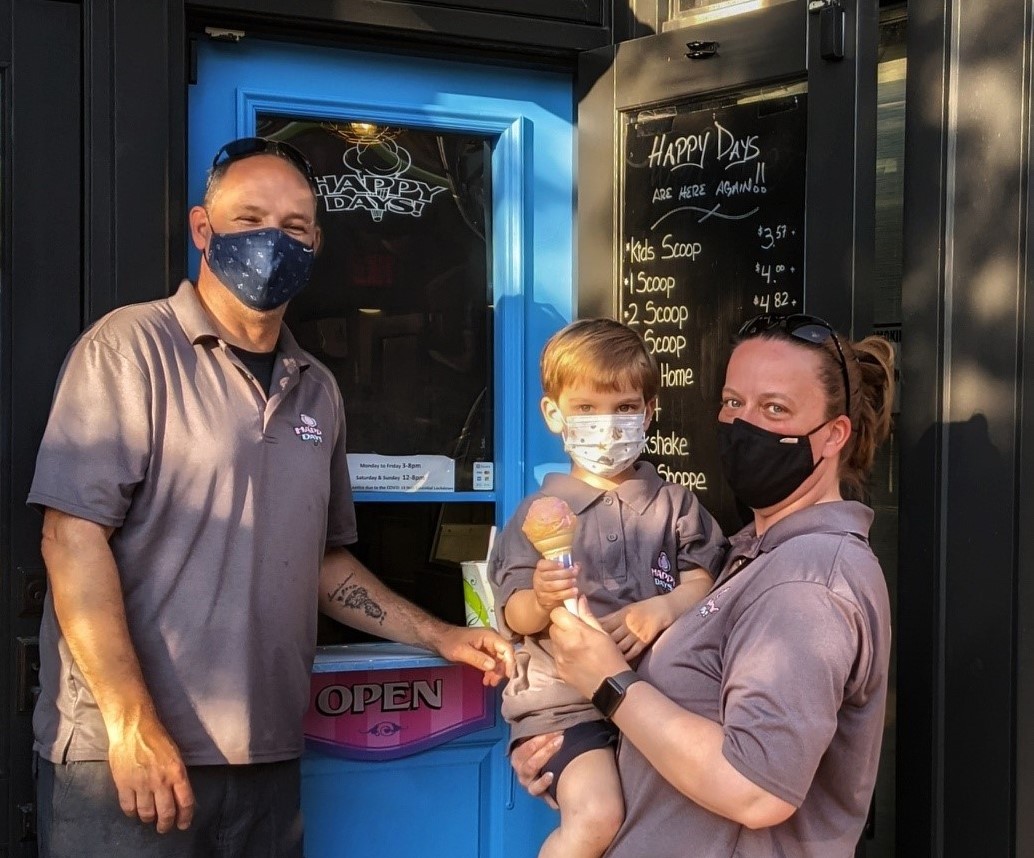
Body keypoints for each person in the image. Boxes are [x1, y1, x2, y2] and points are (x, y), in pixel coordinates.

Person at [27, 136, 515, 858]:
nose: (271, 241)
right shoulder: (130, 348)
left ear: (315, 243)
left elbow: (322, 564)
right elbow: (71, 538)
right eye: (249, 219)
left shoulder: (315, 384)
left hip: (266, 760)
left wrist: (439, 635)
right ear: (203, 229)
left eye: (292, 228)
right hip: (124, 756)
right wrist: (130, 721)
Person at [512, 313, 895, 857]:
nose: (744, 425)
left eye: (775, 408)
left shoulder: (808, 583)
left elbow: (756, 789)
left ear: (834, 434)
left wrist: (606, 680)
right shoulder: (749, 552)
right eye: (733, 402)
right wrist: (570, 756)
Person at [489, 319, 727, 858]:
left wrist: (663, 607)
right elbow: (516, 613)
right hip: (566, 707)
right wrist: (543, 598)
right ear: (554, 415)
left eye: (624, 408)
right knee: (597, 819)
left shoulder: (676, 504)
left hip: (658, 700)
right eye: (587, 409)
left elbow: (703, 579)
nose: (607, 424)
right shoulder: (538, 513)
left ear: (648, 412)